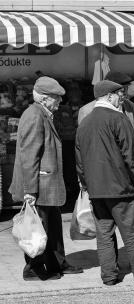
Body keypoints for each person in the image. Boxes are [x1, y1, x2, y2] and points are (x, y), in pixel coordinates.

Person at [76, 80, 134, 285]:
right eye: (119, 95)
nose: (121, 99)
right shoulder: (118, 119)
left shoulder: (85, 123)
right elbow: (132, 155)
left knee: (104, 235)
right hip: (121, 189)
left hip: (97, 191)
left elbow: (80, 162)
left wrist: (86, 185)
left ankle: (108, 276)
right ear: (109, 96)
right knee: (133, 233)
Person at [9, 76, 83, 281]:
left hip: (47, 183)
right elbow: (29, 156)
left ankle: (57, 262)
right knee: (38, 227)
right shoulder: (34, 116)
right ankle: (33, 268)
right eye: (56, 98)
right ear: (43, 98)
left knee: (53, 225)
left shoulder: (43, 114)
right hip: (39, 184)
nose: (60, 101)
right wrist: (30, 190)